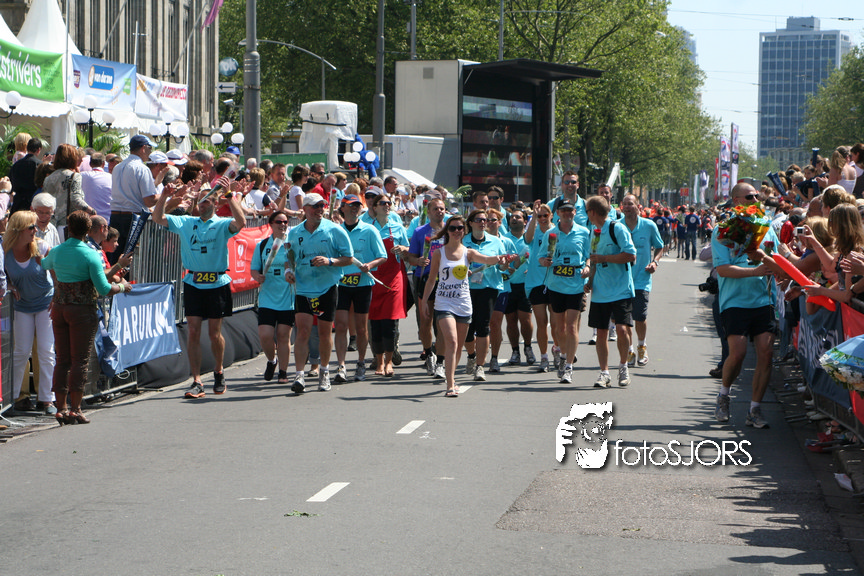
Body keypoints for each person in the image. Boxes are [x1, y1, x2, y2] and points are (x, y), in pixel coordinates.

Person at [152, 176, 245, 398]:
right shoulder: (186, 222)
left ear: (215, 204)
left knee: (214, 333)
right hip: (193, 282)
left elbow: (241, 222)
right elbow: (157, 218)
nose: (202, 204)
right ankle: (196, 380)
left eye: (207, 200)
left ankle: (219, 371)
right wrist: (164, 197)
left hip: (217, 283)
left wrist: (230, 195)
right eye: (200, 201)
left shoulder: (222, 224)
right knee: (193, 330)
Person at [42, 211, 131, 425]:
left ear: (69, 228)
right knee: (79, 361)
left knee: (62, 360)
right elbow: (104, 289)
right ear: (87, 230)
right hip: (82, 310)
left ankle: (61, 409)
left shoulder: (57, 250)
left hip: (60, 308)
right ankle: (75, 409)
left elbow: (44, 264)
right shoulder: (90, 254)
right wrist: (122, 287)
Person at [712, 182, 782, 429]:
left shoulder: (767, 227)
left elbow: (776, 260)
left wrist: (774, 267)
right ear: (736, 201)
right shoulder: (723, 230)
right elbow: (722, 269)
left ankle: (755, 409)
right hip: (735, 301)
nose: (755, 199)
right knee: (738, 353)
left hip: (763, 299)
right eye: (749, 196)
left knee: (766, 353)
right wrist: (754, 271)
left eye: (756, 196)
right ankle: (724, 395)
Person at [420, 215, 505, 396]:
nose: (456, 231)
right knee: (451, 341)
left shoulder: (468, 252)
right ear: (447, 231)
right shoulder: (439, 253)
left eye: (460, 228)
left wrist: (501, 258)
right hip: (444, 303)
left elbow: (487, 259)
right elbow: (431, 280)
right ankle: (450, 385)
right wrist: (424, 302)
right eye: (452, 228)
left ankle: (452, 378)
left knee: (458, 346)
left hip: (463, 303)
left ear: (464, 230)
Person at [285, 193, 354, 393]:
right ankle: (299, 375)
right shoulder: (295, 232)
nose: (319, 210)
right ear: (305, 209)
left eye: (322, 206)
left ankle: (324, 371)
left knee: (324, 333)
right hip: (303, 288)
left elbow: (349, 258)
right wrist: (289, 271)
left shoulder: (334, 229)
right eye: (315, 206)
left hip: (327, 287)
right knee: (303, 332)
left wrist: (329, 261)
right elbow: (289, 257)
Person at [3, 211, 56, 415]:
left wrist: (57, 297)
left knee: (46, 351)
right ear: (18, 230)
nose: (36, 230)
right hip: (22, 306)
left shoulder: (41, 247)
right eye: (31, 227)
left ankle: (47, 399)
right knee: (21, 352)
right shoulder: (5, 251)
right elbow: (3, 276)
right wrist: (9, 285)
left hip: (45, 304)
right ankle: (12, 399)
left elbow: (56, 273)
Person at [333, 195, 386, 382]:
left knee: (362, 328)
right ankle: (341, 365)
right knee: (340, 326)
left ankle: (361, 362)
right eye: (351, 205)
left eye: (357, 205)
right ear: (343, 208)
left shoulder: (369, 230)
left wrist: (370, 265)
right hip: (341, 283)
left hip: (362, 284)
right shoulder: (336, 230)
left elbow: (382, 256)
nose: (354, 208)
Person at [585, 195, 637, 388]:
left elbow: (631, 255)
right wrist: (590, 281)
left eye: (587, 211)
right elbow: (593, 259)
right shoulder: (593, 232)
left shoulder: (617, 228)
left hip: (621, 289)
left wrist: (605, 258)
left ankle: (623, 367)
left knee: (622, 330)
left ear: (592, 212)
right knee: (601, 333)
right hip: (600, 291)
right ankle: (604, 373)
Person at [539, 198, 591, 383]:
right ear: (558, 214)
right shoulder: (551, 234)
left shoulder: (584, 232)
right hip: (556, 284)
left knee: (571, 326)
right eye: (564, 210)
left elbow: (589, 255)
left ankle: (569, 366)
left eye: (571, 210)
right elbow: (541, 257)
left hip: (576, 284)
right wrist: (545, 261)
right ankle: (562, 355)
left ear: (575, 212)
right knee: (559, 328)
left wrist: (587, 267)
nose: (568, 213)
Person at [367, 192, 411, 377]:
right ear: (374, 207)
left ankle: (389, 361)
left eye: (388, 203)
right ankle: (379, 361)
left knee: (390, 321)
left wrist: (403, 248)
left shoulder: (398, 227)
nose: (387, 206)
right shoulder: (368, 228)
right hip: (374, 277)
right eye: (382, 203)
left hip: (393, 276)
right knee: (375, 321)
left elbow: (409, 250)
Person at [251, 211, 296, 384]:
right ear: (271, 224)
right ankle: (272, 361)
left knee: (283, 335)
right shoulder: (262, 245)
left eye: (286, 222)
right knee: (265, 335)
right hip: (267, 297)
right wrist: (257, 276)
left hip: (287, 296)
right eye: (279, 222)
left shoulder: (291, 244)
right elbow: (254, 269)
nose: (283, 225)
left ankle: (283, 372)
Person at [463, 209, 508, 381]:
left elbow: (503, 268)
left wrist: (503, 263)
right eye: (479, 220)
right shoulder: (463, 241)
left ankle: (480, 367)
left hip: (489, 287)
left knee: (483, 326)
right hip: (467, 288)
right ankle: (471, 355)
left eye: (485, 220)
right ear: (471, 223)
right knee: (467, 329)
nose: (483, 222)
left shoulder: (495, 242)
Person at [406, 196, 448, 377]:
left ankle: (440, 360)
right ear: (428, 212)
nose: (439, 211)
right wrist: (418, 261)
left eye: (442, 208)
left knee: (443, 321)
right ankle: (429, 352)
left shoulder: (451, 230)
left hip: (446, 280)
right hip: (424, 278)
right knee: (426, 319)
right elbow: (410, 257)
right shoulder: (420, 232)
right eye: (435, 209)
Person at [620, 194, 664, 367]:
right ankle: (630, 350)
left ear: (638, 206)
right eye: (624, 204)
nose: (627, 207)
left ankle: (641, 345)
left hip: (641, 280)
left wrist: (655, 262)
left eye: (630, 204)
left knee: (640, 317)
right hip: (622, 280)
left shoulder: (649, 225)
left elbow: (660, 246)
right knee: (624, 320)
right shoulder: (617, 226)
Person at [110, 134, 160, 261]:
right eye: (149, 148)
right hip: (133, 219)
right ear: (143, 148)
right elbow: (149, 200)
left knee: (116, 257)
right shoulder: (142, 168)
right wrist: (165, 194)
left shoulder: (117, 167)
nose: (150, 152)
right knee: (134, 260)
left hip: (115, 216)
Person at [524, 201, 557, 371]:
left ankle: (557, 349)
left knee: (556, 323)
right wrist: (533, 217)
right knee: (541, 322)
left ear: (551, 216)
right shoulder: (534, 230)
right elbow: (527, 239)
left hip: (554, 281)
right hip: (536, 282)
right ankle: (544, 357)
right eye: (540, 216)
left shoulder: (556, 231)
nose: (543, 218)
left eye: (545, 215)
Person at [502, 207, 534, 366]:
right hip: (508, 285)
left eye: (518, 217)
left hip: (525, 285)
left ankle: (528, 347)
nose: (514, 219)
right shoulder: (504, 239)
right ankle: (515, 351)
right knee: (511, 320)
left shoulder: (530, 239)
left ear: (525, 221)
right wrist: (504, 267)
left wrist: (532, 268)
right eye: (512, 217)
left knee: (526, 320)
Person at [42, 143, 92, 229]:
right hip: (69, 224)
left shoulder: (48, 178)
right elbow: (76, 199)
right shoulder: (74, 176)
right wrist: (91, 210)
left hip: (52, 224)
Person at [9, 137, 42, 214]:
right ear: (38, 150)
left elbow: (11, 182)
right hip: (33, 202)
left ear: (27, 148)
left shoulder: (17, 164)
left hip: (18, 202)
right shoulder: (39, 164)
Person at [80, 152, 113, 221]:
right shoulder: (111, 177)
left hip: (87, 219)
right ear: (103, 164)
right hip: (107, 218)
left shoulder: (82, 176)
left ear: (90, 164)